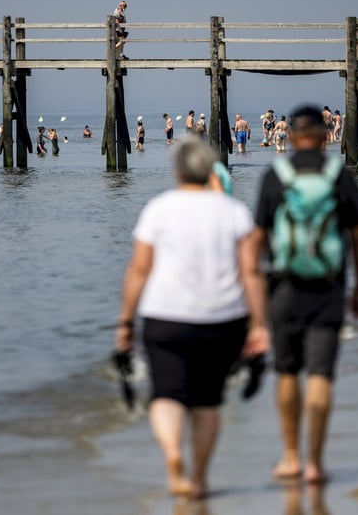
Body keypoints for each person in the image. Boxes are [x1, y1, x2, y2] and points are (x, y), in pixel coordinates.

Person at [116, 137, 269, 499]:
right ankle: (198, 478)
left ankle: (172, 454)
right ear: (210, 169)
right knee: (207, 401)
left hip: (165, 315)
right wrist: (260, 325)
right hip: (223, 318)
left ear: (178, 170)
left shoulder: (158, 209)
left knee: (167, 395)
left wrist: (125, 322)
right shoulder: (233, 212)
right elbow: (251, 272)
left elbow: (139, 269)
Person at [252, 105, 358, 485]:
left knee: (287, 371)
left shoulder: (276, 175)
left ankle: (290, 457)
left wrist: (251, 291)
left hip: (283, 287)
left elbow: (258, 240)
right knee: (320, 374)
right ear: (324, 135)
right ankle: (315, 463)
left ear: (289, 136)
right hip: (329, 287)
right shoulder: (338, 175)